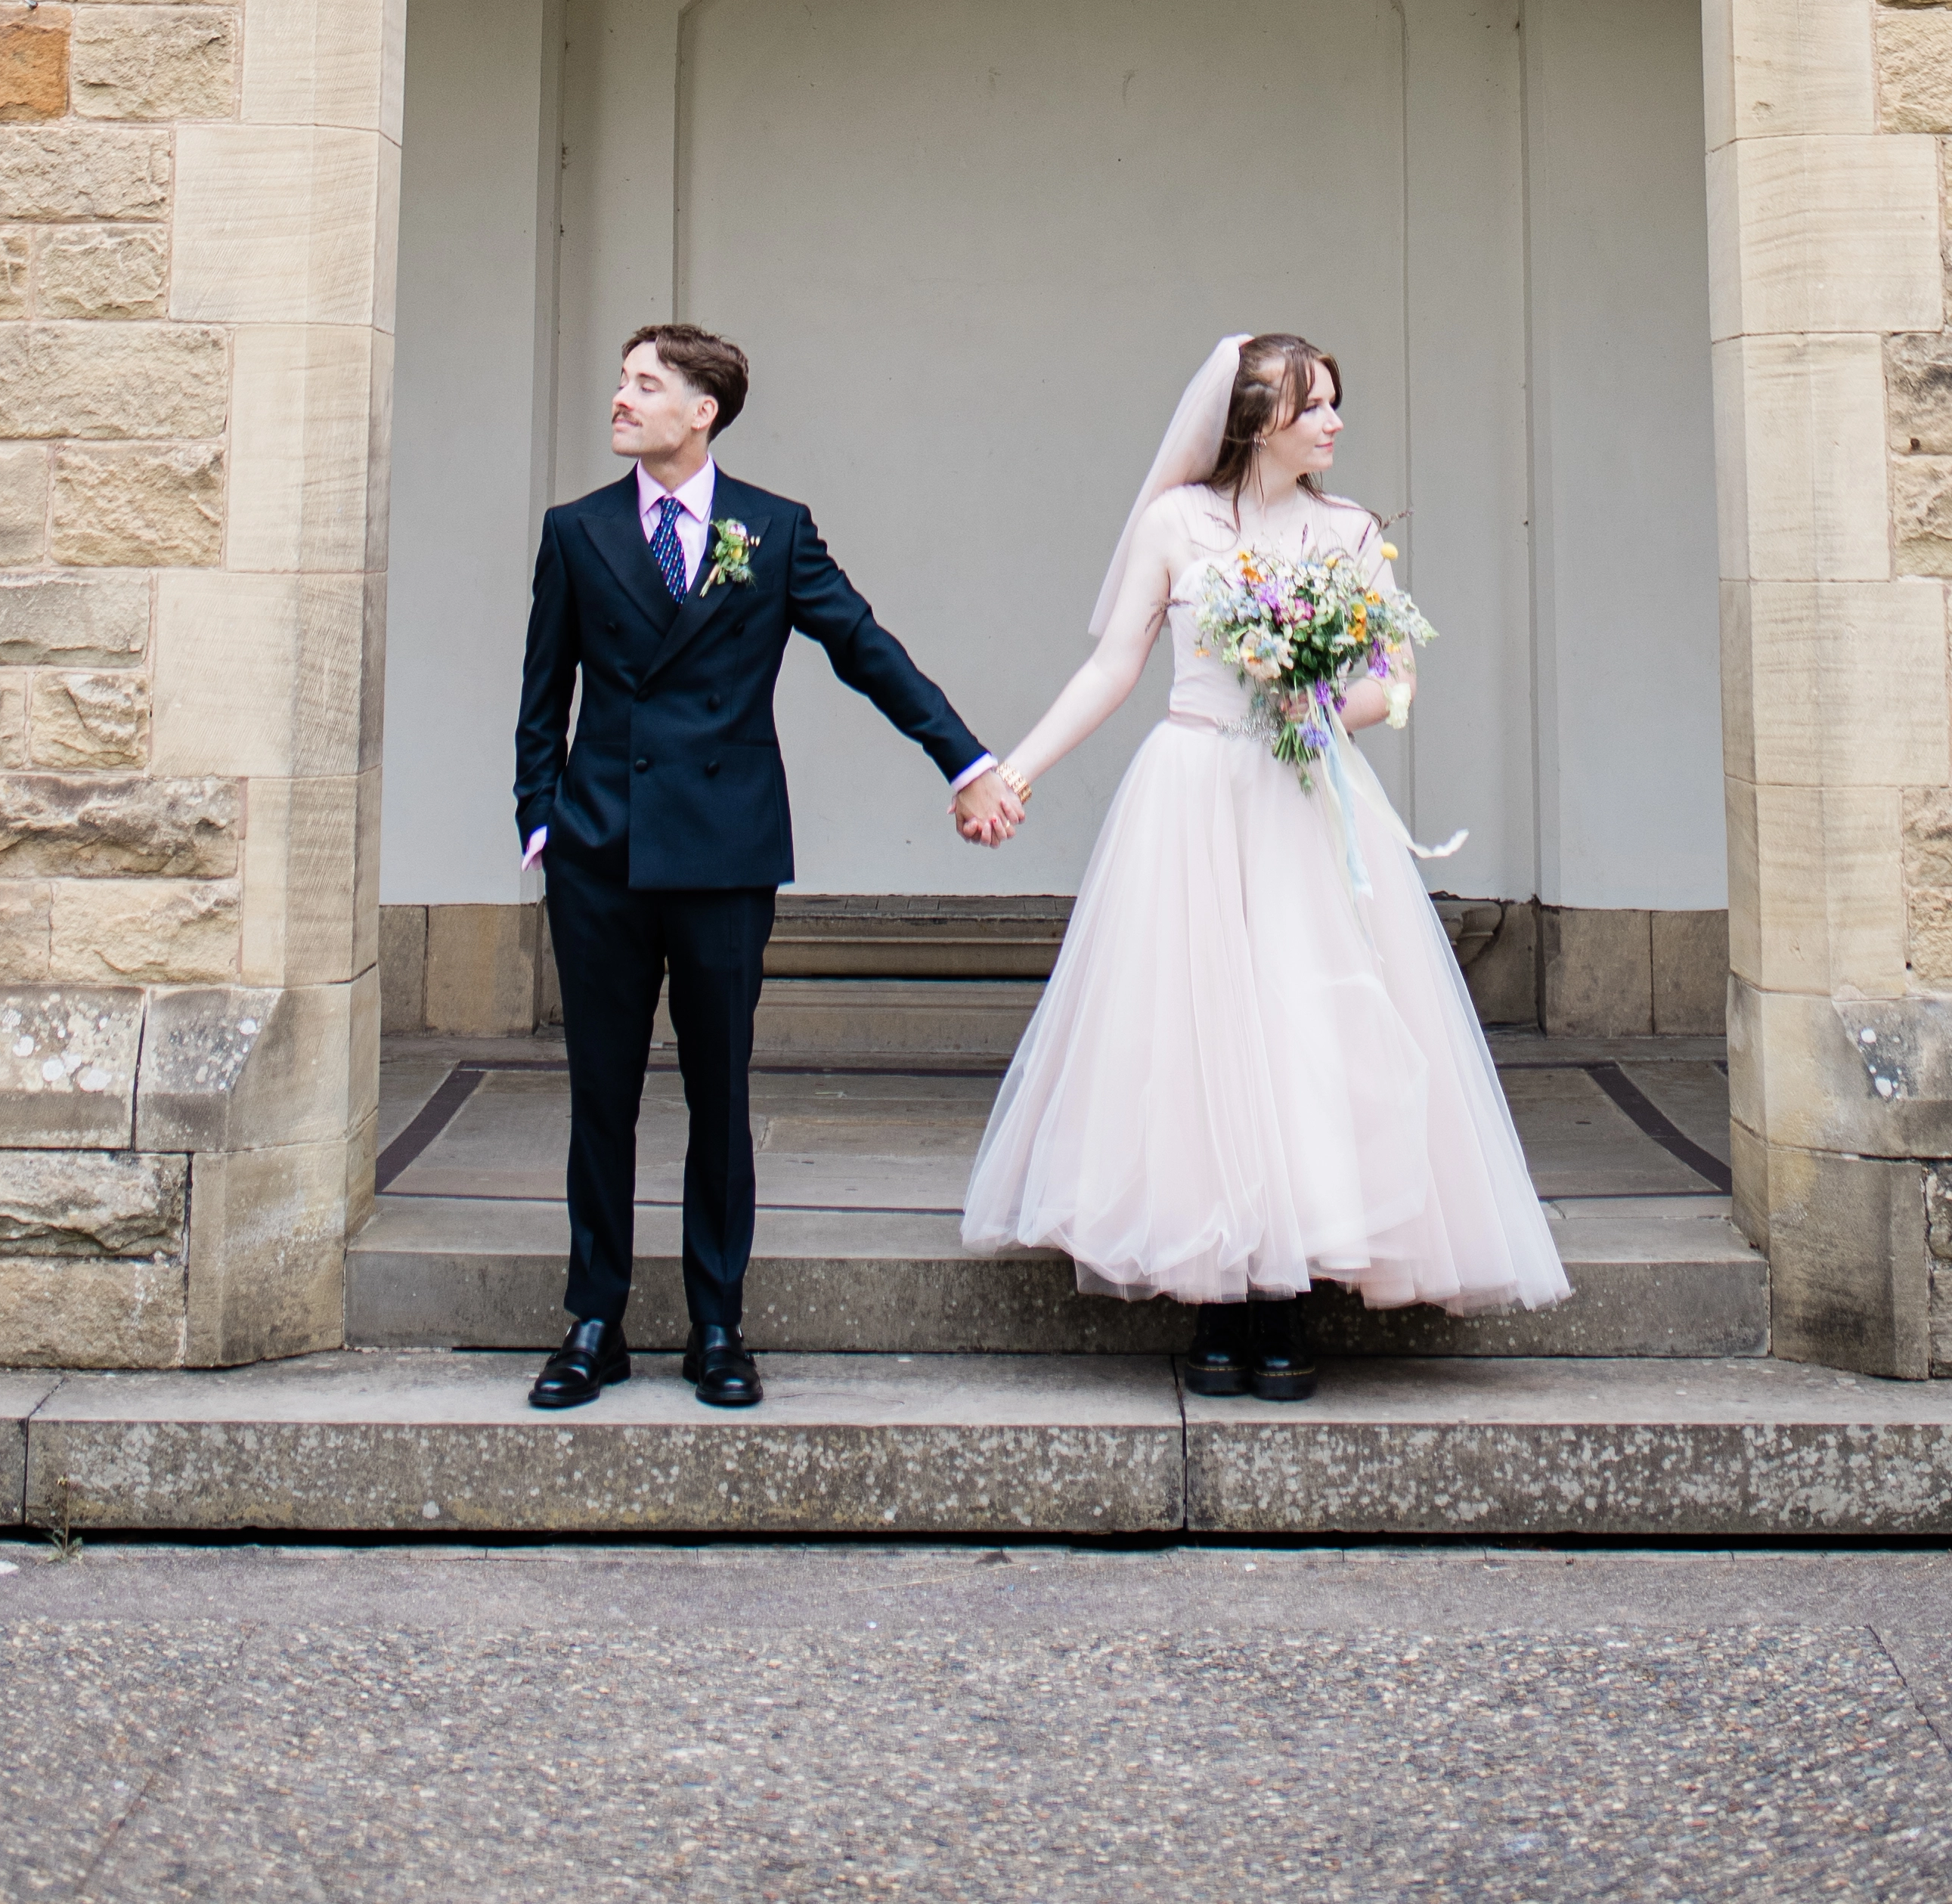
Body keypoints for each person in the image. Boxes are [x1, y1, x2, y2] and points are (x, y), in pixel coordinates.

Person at [954, 331, 1568, 1398]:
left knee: (1305, 1029)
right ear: (1258, 421)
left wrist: (1325, 702)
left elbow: (1401, 680)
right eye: (1315, 405)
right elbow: (1115, 665)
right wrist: (1017, 770)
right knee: (1193, 1034)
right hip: (1190, 791)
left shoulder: (1351, 531)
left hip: (1300, 797)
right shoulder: (1174, 523)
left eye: (1336, 404)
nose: (1335, 423)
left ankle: (1287, 1301)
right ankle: (1216, 1300)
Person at [511, 319, 1006, 1410]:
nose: (620, 398)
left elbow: (865, 649)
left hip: (727, 854)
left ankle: (718, 1324)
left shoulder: (771, 532)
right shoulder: (577, 530)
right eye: (622, 380)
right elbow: (543, 691)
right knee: (600, 1095)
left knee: (718, 1089)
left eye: (646, 384)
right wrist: (540, 822)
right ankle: (592, 1320)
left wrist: (963, 760)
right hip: (600, 854)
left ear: (705, 412)